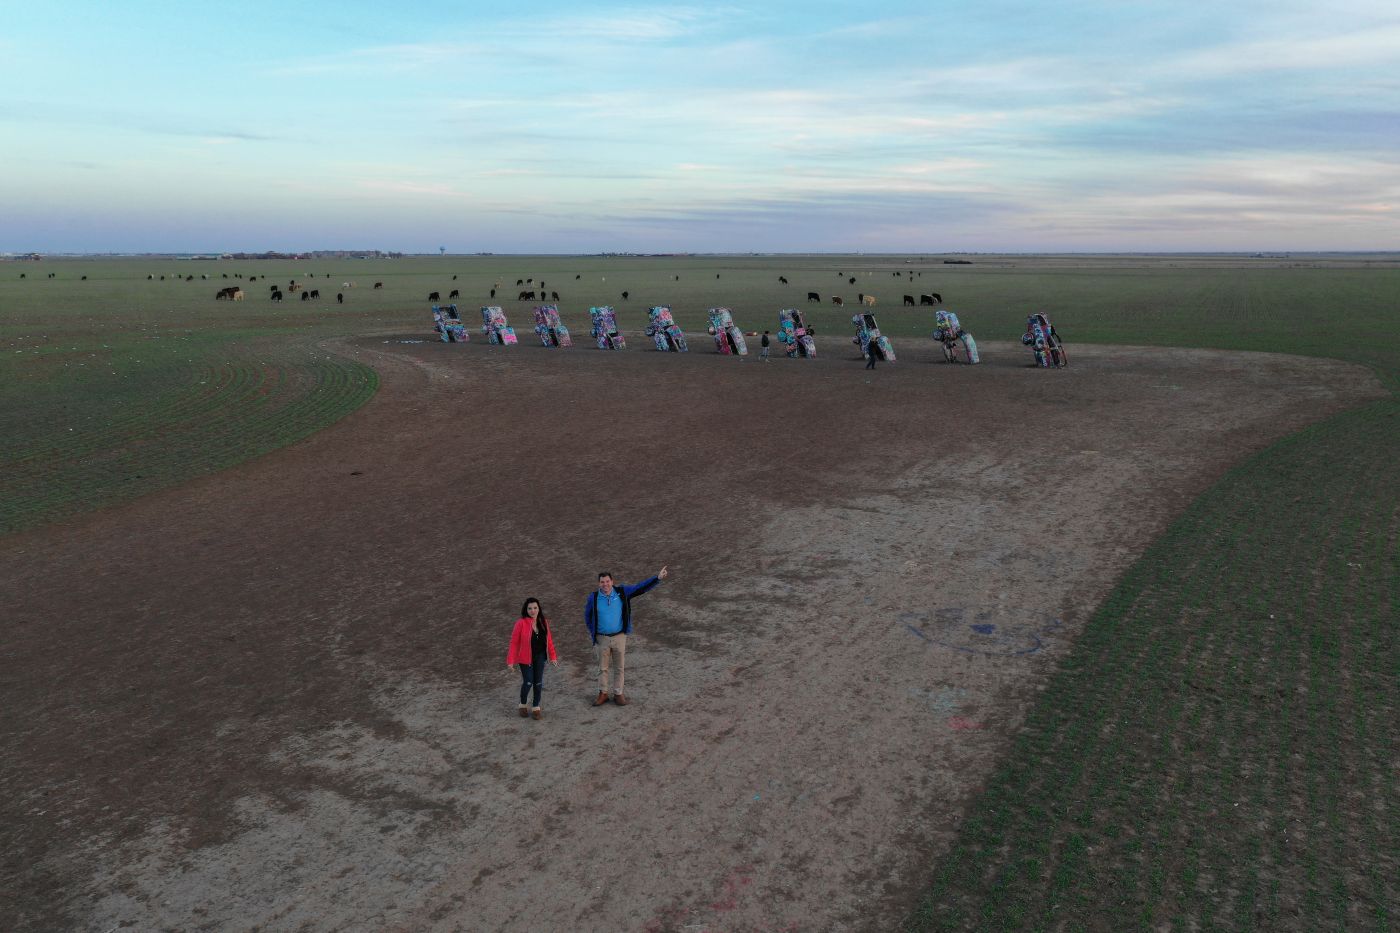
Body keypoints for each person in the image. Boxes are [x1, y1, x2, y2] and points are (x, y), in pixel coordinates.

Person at [585, 566, 669, 706]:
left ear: (612, 581)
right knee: (602, 668)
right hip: (602, 638)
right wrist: (593, 631)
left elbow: (640, 588)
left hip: (619, 637)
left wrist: (657, 578)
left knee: (619, 667)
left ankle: (618, 693)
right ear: (599, 583)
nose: (605, 584)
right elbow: (587, 616)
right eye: (602, 582)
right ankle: (603, 693)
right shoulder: (593, 598)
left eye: (607, 581)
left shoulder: (622, 592)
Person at [506, 597, 558, 720]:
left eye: (535, 608)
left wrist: (553, 656)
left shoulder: (543, 622)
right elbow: (514, 643)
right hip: (525, 659)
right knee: (528, 682)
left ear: (539, 609)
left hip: (540, 658)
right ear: (526, 610)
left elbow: (549, 641)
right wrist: (510, 661)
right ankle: (523, 704)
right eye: (530, 608)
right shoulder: (521, 623)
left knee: (538, 683)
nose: (533, 611)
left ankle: (536, 707)